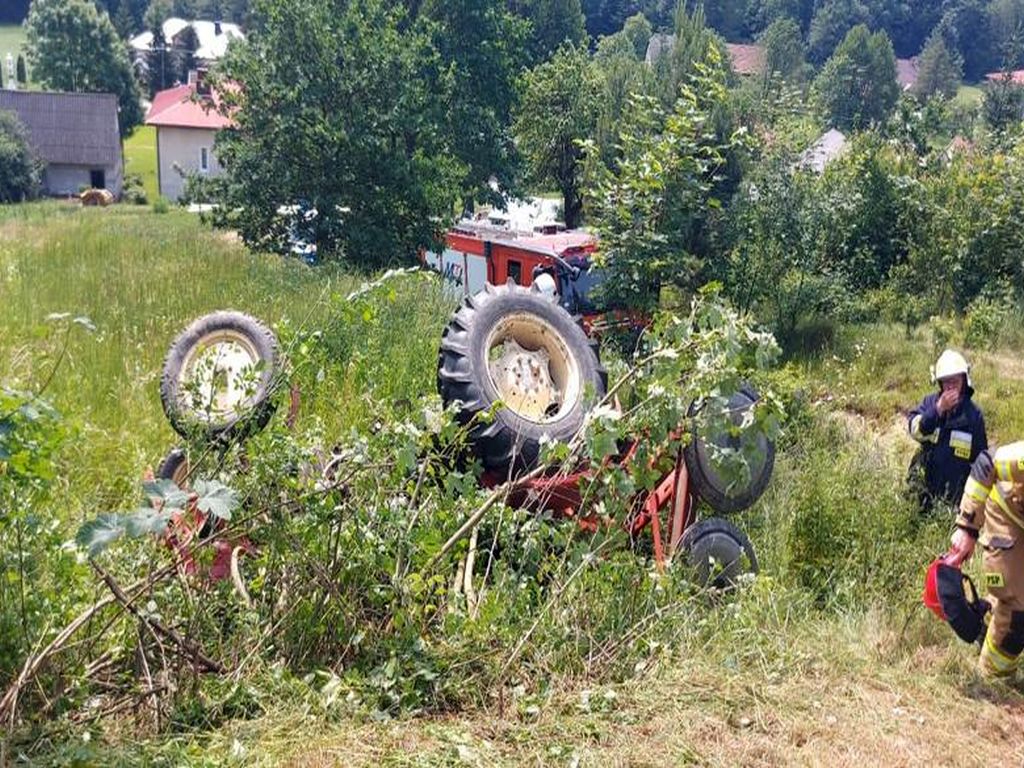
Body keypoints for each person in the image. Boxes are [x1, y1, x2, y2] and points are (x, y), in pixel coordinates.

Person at [949, 444, 1024, 678]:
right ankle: (993, 678)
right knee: (1018, 611)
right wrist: (967, 527)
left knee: (1005, 604)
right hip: (1006, 518)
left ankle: (985, 622)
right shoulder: (1019, 459)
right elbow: (986, 462)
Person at [907, 350, 988, 511]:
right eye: (945, 382)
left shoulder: (973, 415)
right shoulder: (930, 403)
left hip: (954, 496)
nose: (950, 386)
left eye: (955, 381)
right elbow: (915, 430)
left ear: (964, 381)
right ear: (939, 383)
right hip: (924, 487)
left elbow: (980, 459)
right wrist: (938, 410)